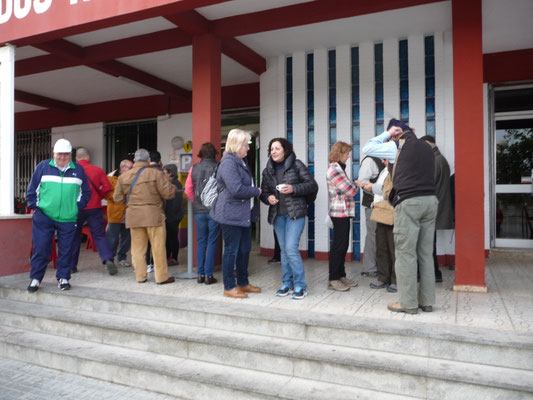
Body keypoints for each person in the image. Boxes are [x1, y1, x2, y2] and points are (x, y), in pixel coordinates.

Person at [362, 118, 437, 314]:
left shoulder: (398, 146)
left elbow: (367, 148)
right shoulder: (426, 147)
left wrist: (388, 134)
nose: (389, 139)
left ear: (397, 133)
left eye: (391, 135)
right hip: (430, 201)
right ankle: (427, 301)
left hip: (409, 202)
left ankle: (407, 303)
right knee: (425, 254)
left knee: (405, 254)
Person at [26, 138, 91, 292]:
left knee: (66, 249)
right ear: (53, 153)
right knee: (41, 248)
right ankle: (36, 278)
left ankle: (63, 278)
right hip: (44, 216)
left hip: (68, 217)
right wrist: (36, 207)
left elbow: (85, 192)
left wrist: (76, 208)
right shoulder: (43, 167)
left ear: (71, 154)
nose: (62, 157)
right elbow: (32, 190)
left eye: (66, 154)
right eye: (59, 154)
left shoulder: (78, 170)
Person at [260, 138, 318, 299]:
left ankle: (300, 285)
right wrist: (268, 198)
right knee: (284, 251)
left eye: (277, 148)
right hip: (277, 215)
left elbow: (312, 185)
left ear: (285, 150)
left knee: (291, 249)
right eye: (271, 149)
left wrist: (293, 188)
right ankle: (287, 282)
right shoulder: (267, 171)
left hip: (295, 214)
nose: (274, 151)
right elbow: (264, 193)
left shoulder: (297, 165)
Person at [210, 129, 261, 298]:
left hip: (242, 214)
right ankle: (229, 286)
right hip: (230, 214)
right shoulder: (228, 162)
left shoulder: (241, 161)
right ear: (237, 145)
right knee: (231, 250)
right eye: (245, 145)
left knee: (245, 249)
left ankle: (243, 283)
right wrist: (257, 191)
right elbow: (236, 189)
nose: (248, 148)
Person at [113, 148, 176, 285]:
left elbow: (117, 199)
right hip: (154, 216)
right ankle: (161, 277)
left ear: (134, 160)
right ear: (148, 160)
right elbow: (168, 193)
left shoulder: (123, 177)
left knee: (137, 249)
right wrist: (173, 187)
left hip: (134, 217)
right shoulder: (155, 174)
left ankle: (140, 276)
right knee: (158, 248)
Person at [70, 147, 117, 275]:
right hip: (94, 207)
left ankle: (72, 266)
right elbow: (107, 187)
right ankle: (107, 259)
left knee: (74, 236)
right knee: (99, 235)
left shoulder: (72, 170)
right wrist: (98, 196)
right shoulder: (98, 170)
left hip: (76, 208)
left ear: (76, 158)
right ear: (88, 157)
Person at [184, 142, 221, 285]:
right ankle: (208, 275)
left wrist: (197, 202)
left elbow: (188, 189)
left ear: (201, 154)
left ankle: (200, 274)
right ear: (214, 153)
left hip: (199, 211)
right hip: (214, 209)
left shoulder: (194, 168)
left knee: (201, 242)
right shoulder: (219, 167)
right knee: (212, 242)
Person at [357, 161, 396, 292]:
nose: (383, 161)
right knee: (381, 246)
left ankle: (395, 279)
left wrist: (372, 187)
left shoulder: (396, 170)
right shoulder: (384, 171)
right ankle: (383, 277)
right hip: (380, 210)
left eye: (385, 159)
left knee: (393, 248)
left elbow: (389, 190)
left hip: (391, 210)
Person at [326, 141, 359, 292]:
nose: (348, 156)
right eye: (346, 153)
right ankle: (333, 278)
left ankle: (341, 275)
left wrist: (352, 185)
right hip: (339, 212)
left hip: (343, 212)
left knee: (343, 245)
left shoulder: (339, 168)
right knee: (339, 246)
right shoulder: (335, 169)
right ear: (339, 153)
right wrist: (356, 184)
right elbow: (350, 190)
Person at [420, 135, 454, 281]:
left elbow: (428, 183)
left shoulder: (434, 161)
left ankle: (434, 273)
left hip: (432, 207)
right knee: (429, 242)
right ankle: (434, 273)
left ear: (428, 144)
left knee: (427, 244)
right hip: (437, 206)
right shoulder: (440, 159)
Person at [357, 154, 385, 277]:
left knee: (381, 236)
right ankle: (369, 268)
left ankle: (377, 266)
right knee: (373, 235)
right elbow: (362, 183)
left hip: (384, 205)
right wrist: (378, 192)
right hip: (373, 205)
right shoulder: (370, 161)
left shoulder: (385, 160)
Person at [106, 159, 133, 268]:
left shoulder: (133, 177)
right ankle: (110, 260)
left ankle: (122, 257)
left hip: (129, 212)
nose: (132, 170)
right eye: (130, 168)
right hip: (115, 212)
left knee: (127, 238)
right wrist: (118, 198)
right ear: (123, 168)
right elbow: (106, 193)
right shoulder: (110, 177)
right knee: (112, 238)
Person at [145, 150, 164, 273]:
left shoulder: (143, 172)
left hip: (143, 211)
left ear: (149, 159)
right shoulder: (161, 173)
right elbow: (166, 192)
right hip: (158, 210)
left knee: (144, 241)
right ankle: (157, 266)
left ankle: (146, 264)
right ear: (159, 160)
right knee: (157, 241)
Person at [163, 163, 184, 266]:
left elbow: (175, 204)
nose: (163, 174)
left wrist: (169, 216)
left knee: (172, 238)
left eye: (164, 172)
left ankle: (173, 258)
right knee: (169, 238)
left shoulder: (175, 184)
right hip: (171, 215)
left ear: (170, 173)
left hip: (172, 216)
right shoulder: (172, 183)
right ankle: (169, 257)